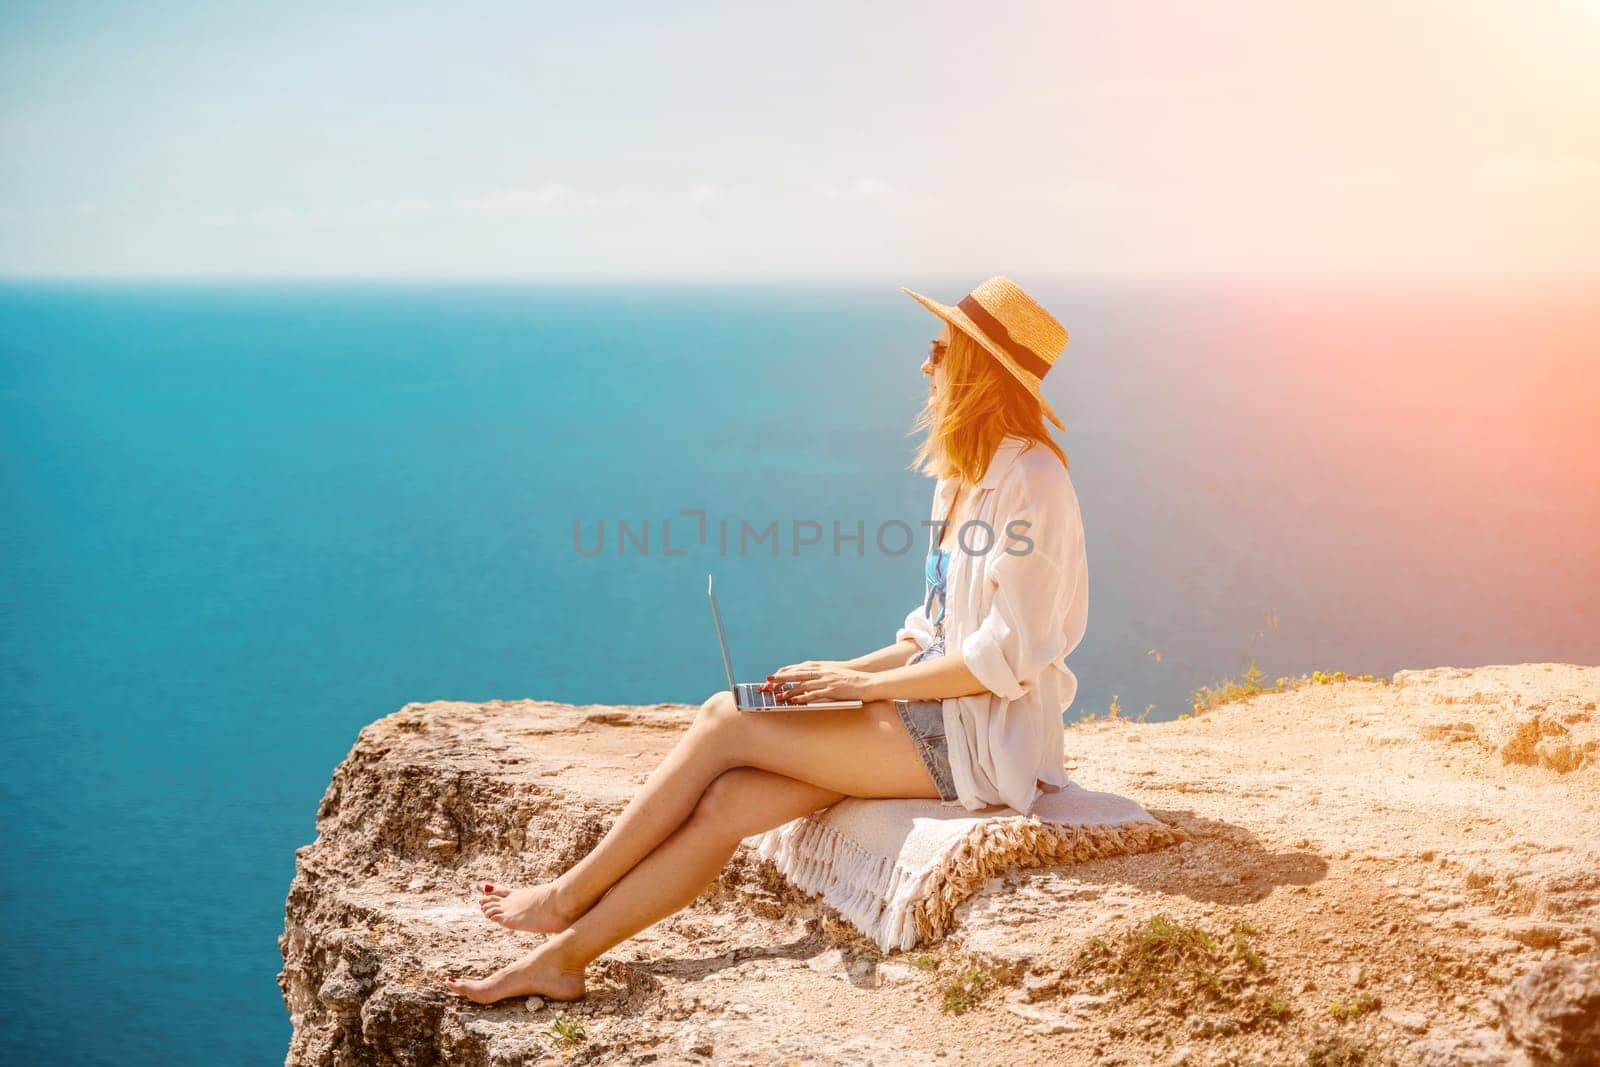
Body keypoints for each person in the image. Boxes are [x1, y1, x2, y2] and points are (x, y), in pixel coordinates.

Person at [443, 276, 1089, 1004]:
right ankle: (564, 957)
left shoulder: (1033, 480)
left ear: (975, 367)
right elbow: (931, 631)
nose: (924, 365)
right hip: (930, 715)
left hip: (979, 740)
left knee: (726, 716)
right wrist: (837, 673)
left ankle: (565, 896)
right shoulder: (963, 477)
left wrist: (864, 689)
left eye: (938, 350)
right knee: (728, 804)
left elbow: (1004, 657)